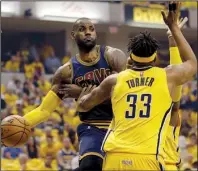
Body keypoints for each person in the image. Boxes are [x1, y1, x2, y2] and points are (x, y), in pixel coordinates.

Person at [76, 2, 197, 170]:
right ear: (155, 58)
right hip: (146, 158)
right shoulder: (167, 76)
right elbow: (191, 62)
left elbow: (85, 105)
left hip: (114, 158)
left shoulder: (114, 80)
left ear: (130, 57)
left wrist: (82, 99)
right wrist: (173, 29)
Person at [23, 18, 127, 171]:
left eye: (91, 28)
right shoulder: (66, 72)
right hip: (92, 126)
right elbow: (44, 110)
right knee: (89, 165)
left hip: (120, 125)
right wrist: (22, 122)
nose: (88, 32)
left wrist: (80, 92)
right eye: (82, 29)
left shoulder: (113, 56)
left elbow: (123, 94)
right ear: (73, 35)